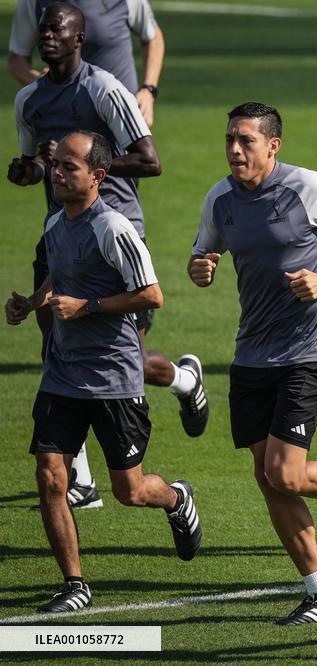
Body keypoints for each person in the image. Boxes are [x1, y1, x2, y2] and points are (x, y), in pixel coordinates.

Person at [189, 102, 317, 624]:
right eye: (230, 138)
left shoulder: (308, 187)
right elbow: (203, 251)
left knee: (285, 471)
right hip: (251, 353)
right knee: (267, 475)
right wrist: (201, 266)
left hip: (306, 348)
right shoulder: (220, 199)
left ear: (274, 145)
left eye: (246, 140)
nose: (234, 149)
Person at [8, 3, 206, 511]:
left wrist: (83, 161)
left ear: (80, 39)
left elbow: (149, 161)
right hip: (60, 233)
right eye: (44, 30)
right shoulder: (28, 100)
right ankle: (80, 478)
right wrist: (29, 171)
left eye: (58, 30)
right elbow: (35, 163)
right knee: (57, 345)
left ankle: (184, 382)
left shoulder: (104, 89)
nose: (47, 36)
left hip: (116, 233)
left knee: (125, 362)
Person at [4, 131, 202, 613]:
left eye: (69, 167)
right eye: (55, 166)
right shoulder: (56, 223)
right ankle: (74, 584)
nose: (56, 173)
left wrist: (88, 306)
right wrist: (32, 303)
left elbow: (152, 294)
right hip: (62, 374)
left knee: (129, 491)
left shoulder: (113, 228)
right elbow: (60, 275)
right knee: (51, 477)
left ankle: (176, 499)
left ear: (97, 176)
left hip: (113, 377)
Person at [8, 0, 165, 126]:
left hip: (118, 118)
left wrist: (148, 90)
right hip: (62, 119)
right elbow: (17, 59)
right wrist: (42, 84)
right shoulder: (33, 2)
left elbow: (153, 37)